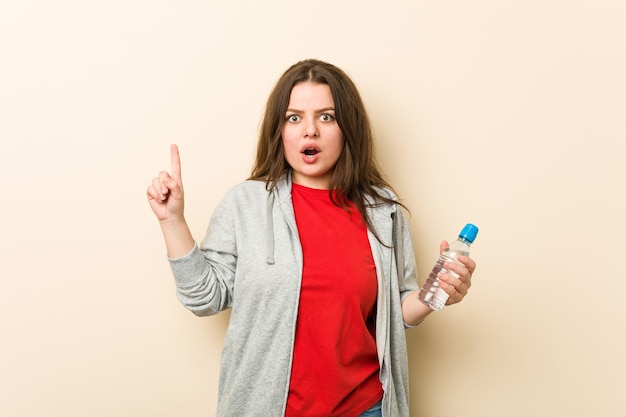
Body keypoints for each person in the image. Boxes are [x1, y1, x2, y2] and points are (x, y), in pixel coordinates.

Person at [146, 59, 476, 417]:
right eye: (294, 118)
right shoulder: (246, 204)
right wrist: (172, 220)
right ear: (280, 131)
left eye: (326, 116)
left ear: (347, 128)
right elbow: (204, 298)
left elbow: (395, 313)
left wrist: (434, 295)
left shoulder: (384, 211)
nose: (309, 131)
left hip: (366, 408)